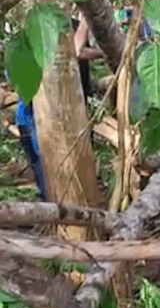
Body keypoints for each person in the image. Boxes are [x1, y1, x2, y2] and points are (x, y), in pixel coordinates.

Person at [14, 17, 103, 201]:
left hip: (67, 111)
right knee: (47, 172)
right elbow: (76, 50)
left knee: (74, 167)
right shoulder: (46, 30)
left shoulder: (66, 25)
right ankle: (55, 215)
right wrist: (87, 23)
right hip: (36, 116)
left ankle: (70, 211)